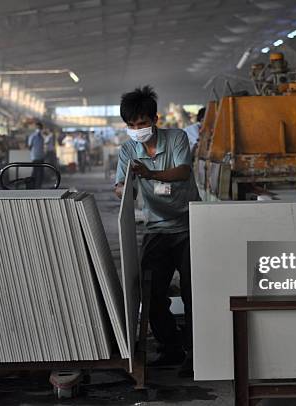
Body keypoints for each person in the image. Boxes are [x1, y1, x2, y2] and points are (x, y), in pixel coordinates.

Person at [114, 85, 200, 377]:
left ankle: (196, 351)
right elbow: (121, 187)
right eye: (131, 125)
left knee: (193, 292)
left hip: (189, 225)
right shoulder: (127, 150)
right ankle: (171, 346)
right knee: (150, 293)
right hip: (156, 229)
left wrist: (149, 174)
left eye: (142, 123)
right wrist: (121, 190)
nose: (137, 130)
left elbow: (183, 172)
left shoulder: (176, 138)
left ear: (155, 119)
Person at [27, 121, 45, 189]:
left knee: (41, 172)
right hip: (35, 156)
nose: (39, 129)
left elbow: (42, 147)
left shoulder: (42, 137)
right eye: (37, 127)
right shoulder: (32, 136)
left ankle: (39, 186)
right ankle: (33, 186)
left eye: (40, 128)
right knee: (35, 172)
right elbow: (29, 146)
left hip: (41, 156)